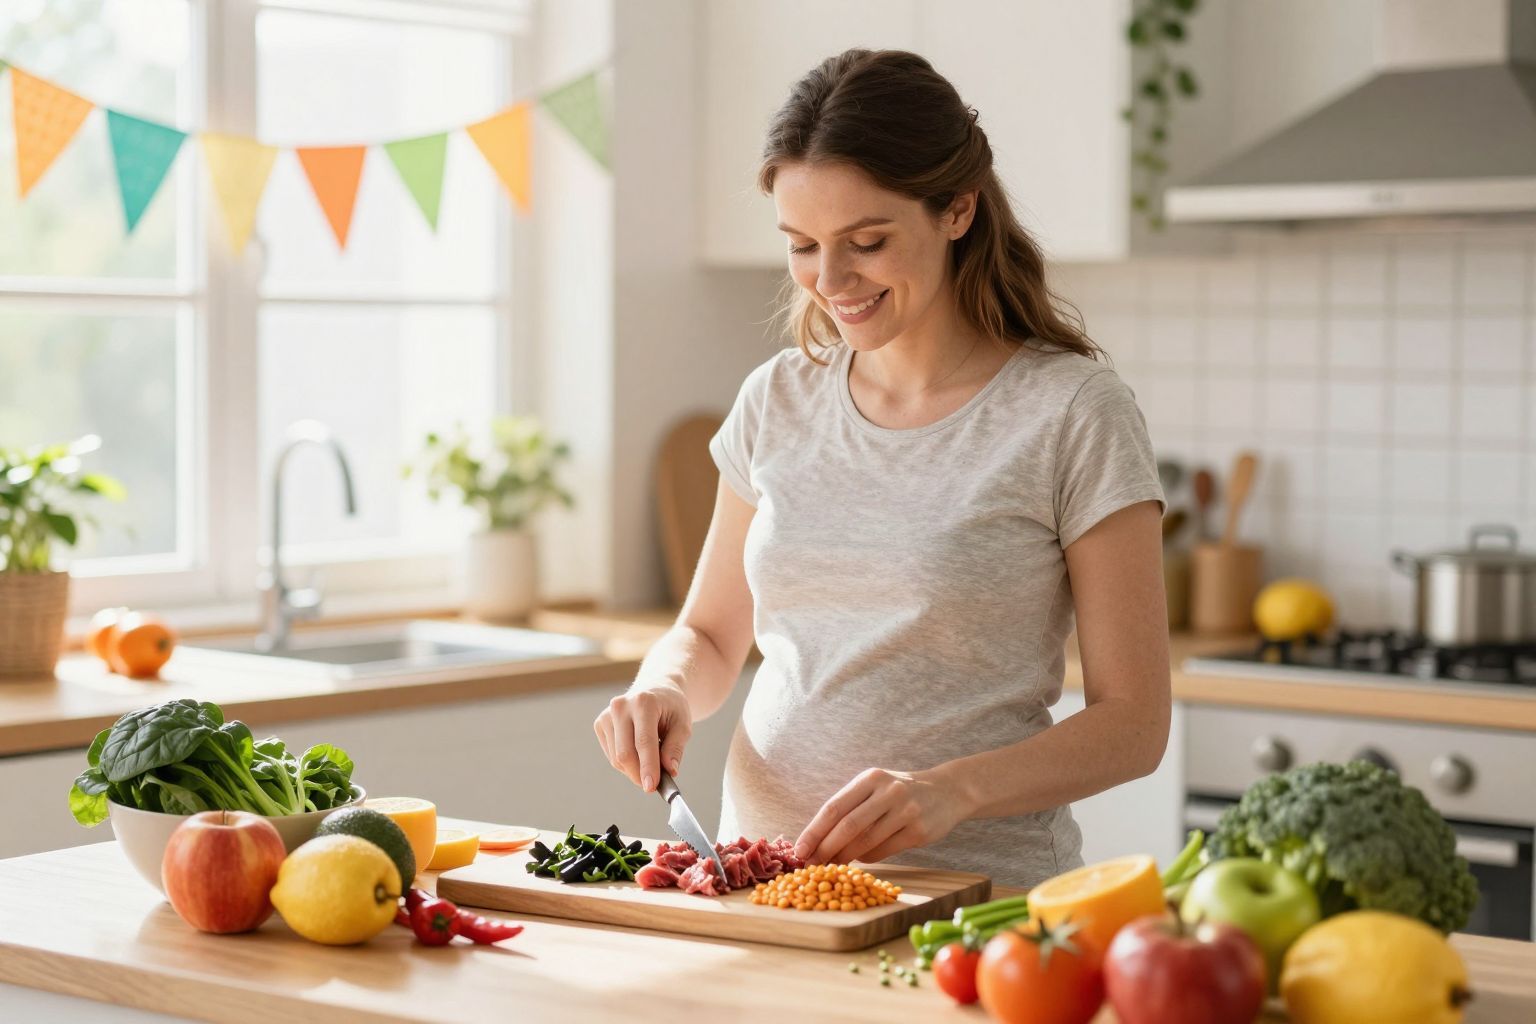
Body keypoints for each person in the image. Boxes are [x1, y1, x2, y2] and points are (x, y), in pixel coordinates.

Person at [593, 48, 1171, 888]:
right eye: (802, 245)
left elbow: (1135, 723)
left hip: (969, 900)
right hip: (765, 885)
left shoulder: (1073, 412)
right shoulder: (777, 399)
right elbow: (711, 634)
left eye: (866, 242)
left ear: (958, 210)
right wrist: (665, 689)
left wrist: (952, 790)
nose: (830, 280)